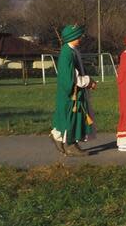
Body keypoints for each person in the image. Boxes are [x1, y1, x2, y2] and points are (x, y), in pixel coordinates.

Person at [50, 24, 96, 157]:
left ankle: (58, 137)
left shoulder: (73, 50)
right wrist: (88, 82)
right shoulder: (67, 53)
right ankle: (70, 144)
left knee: (69, 117)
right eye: (78, 35)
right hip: (71, 94)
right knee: (70, 118)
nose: (81, 37)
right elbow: (71, 77)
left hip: (75, 92)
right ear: (72, 37)